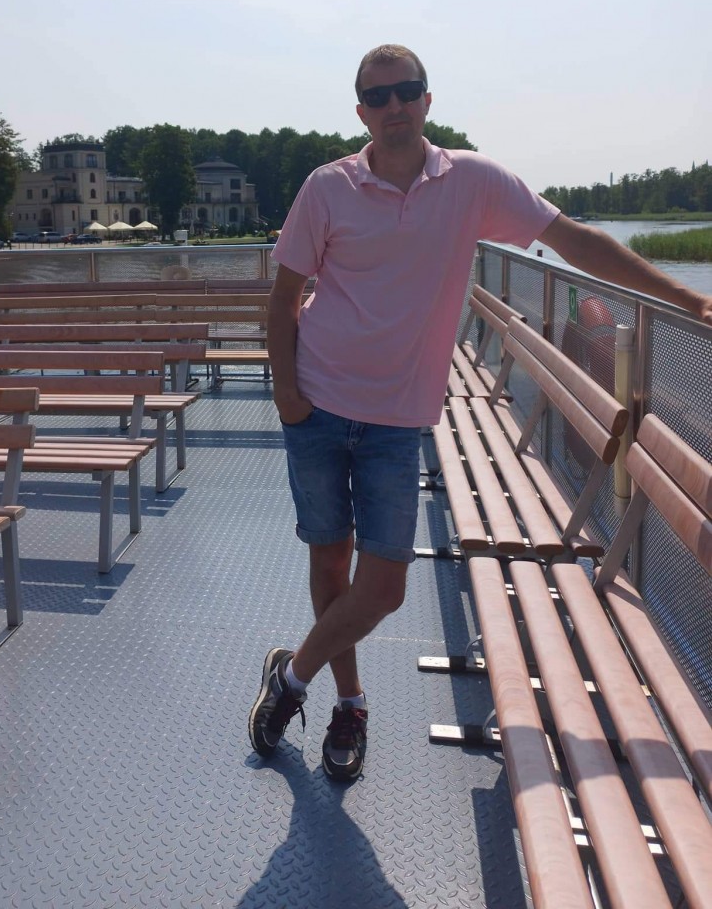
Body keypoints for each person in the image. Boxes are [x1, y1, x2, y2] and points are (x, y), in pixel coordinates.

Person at [248, 42, 712, 783]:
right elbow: (283, 297)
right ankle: (350, 702)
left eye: (407, 90)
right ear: (362, 111)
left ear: (427, 100)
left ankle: (291, 676)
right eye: (379, 96)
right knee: (330, 560)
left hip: (396, 419)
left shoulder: (472, 181)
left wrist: (689, 300)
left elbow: (574, 241)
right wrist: (288, 395)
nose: (395, 106)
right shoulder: (328, 187)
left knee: (384, 586)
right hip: (319, 403)